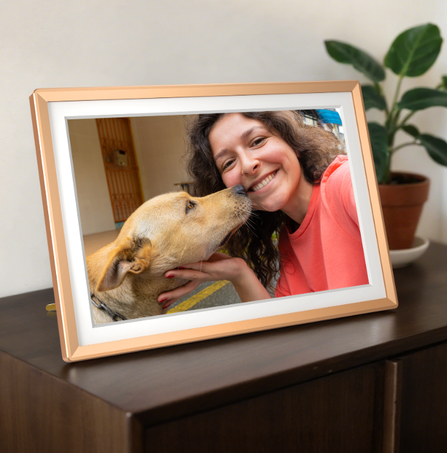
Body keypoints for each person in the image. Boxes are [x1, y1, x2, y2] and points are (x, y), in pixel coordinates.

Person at [157, 111, 368, 309]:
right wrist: (239, 273)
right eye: (229, 163)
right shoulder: (289, 239)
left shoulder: (348, 183)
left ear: (291, 140)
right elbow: (287, 332)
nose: (248, 165)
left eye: (257, 141)